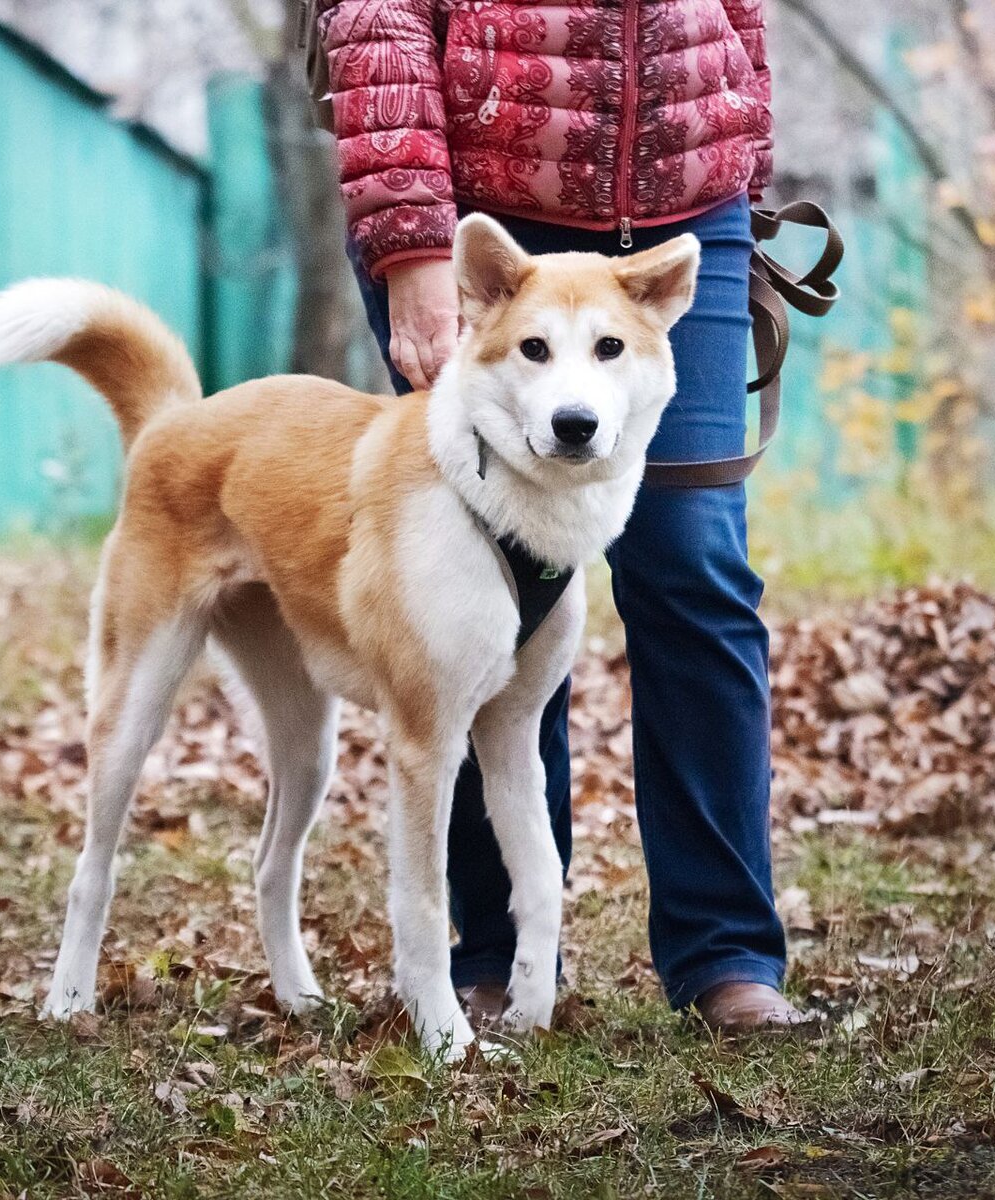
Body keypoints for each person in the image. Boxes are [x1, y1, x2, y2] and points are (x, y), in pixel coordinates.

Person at [318, 0, 809, 1032]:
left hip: (685, 217)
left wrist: (740, 156)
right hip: (484, 222)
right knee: (472, 590)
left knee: (694, 561)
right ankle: (497, 954)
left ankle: (726, 953)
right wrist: (412, 233)